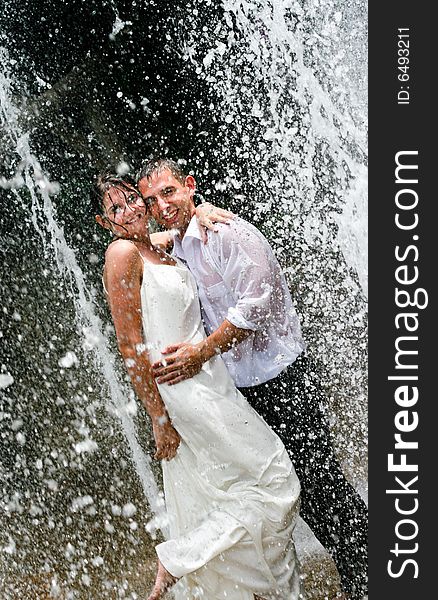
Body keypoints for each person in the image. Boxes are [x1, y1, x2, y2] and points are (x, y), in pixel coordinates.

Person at [137, 158, 368, 600]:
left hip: (281, 379)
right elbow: (132, 245)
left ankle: (369, 571)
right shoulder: (178, 243)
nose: (161, 205)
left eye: (169, 192)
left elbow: (255, 306)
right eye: (151, 201)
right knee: (278, 491)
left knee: (318, 485)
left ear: (189, 185)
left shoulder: (228, 233)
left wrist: (201, 351)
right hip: (240, 389)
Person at [94, 172, 303, 600]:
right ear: (105, 222)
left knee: (230, 488)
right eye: (116, 209)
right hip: (182, 385)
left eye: (134, 200)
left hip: (210, 375)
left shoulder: (159, 247)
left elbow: (182, 224)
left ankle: (254, 587)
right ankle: (179, 556)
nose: (132, 210)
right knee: (276, 478)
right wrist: (158, 417)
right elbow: (129, 345)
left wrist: (201, 209)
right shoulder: (121, 254)